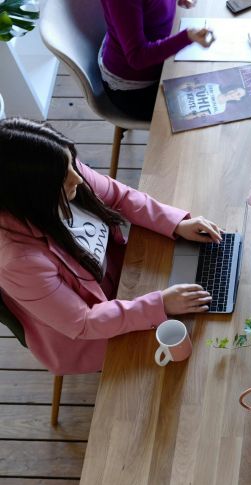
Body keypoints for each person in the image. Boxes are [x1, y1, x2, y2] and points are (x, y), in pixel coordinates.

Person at [0, 118, 222, 375]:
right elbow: (83, 322)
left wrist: (175, 223)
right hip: (89, 336)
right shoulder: (18, 261)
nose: (78, 178)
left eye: (72, 163)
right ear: (33, 194)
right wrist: (158, 304)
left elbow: (120, 196)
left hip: (124, 277)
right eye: (65, 176)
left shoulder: (59, 168)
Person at [98, 0, 214, 120]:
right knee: (203, 117)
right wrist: (186, 37)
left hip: (160, 62)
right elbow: (137, 57)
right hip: (135, 90)